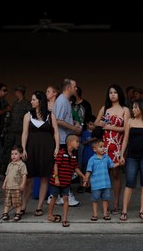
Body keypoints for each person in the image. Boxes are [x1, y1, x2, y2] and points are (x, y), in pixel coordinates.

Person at [21, 90, 60, 218]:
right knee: (29, 179)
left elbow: (55, 132)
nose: (31, 102)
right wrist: (23, 149)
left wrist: (57, 147)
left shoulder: (50, 115)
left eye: (33, 99)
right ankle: (23, 205)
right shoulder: (28, 115)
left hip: (47, 149)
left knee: (44, 178)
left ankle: (39, 207)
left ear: (40, 101)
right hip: (31, 149)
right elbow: (25, 133)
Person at [119, 99, 143, 222]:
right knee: (129, 182)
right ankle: (124, 211)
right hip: (132, 156)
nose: (133, 110)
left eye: (136, 107)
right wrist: (122, 155)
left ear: (142, 109)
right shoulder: (130, 122)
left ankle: (142, 211)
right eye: (133, 107)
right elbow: (125, 139)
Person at [94, 85, 130, 213]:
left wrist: (108, 126)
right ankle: (106, 203)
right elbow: (95, 123)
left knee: (116, 174)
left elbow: (125, 128)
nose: (113, 95)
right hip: (105, 146)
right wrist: (101, 124)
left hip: (118, 145)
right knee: (105, 174)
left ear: (119, 94)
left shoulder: (125, 110)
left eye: (115, 92)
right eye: (110, 92)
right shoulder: (105, 109)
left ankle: (116, 202)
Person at [53, 78, 82, 207]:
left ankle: (60, 195)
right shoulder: (61, 100)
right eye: (74, 86)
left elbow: (64, 119)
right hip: (63, 139)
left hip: (67, 138)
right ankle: (63, 195)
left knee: (67, 169)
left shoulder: (65, 101)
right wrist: (73, 128)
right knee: (65, 169)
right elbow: (58, 120)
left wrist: (74, 124)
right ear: (69, 87)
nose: (76, 89)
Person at [47, 135, 87, 227]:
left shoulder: (73, 156)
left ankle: (65, 218)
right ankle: (50, 214)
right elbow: (56, 165)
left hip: (66, 182)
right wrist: (56, 177)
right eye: (76, 142)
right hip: (57, 181)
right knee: (54, 197)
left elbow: (75, 168)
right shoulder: (61, 153)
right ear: (69, 143)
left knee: (66, 199)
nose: (78, 144)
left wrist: (83, 176)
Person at [84, 139, 120, 221]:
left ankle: (105, 214)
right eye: (101, 147)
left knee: (105, 199)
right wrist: (86, 180)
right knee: (95, 199)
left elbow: (112, 165)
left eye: (103, 147)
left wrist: (119, 163)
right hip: (96, 185)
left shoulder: (106, 157)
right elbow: (88, 171)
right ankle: (95, 215)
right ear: (94, 149)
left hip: (106, 184)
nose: (103, 148)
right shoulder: (92, 159)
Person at [1, 85, 30, 181]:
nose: (15, 93)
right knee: (8, 151)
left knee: (19, 152)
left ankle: (20, 172)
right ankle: (6, 172)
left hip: (20, 132)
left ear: (20, 92)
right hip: (11, 131)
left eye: (16, 91)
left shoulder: (27, 103)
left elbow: (30, 116)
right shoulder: (15, 103)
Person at [1, 146, 26, 222]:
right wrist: (4, 183)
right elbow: (7, 175)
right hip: (9, 187)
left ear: (21, 155)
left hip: (16, 187)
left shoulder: (22, 165)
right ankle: (5, 213)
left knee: (17, 202)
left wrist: (23, 184)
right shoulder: (10, 164)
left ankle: (17, 213)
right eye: (12, 154)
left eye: (16, 154)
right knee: (7, 201)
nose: (13, 156)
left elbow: (24, 175)